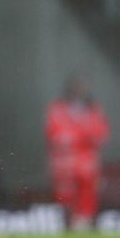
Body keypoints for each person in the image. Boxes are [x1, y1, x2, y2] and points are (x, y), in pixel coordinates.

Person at [45, 76, 110, 230]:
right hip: (64, 162)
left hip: (87, 161)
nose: (79, 92)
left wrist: (77, 137)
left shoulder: (93, 109)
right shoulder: (57, 108)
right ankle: (64, 222)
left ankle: (84, 223)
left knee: (87, 192)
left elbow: (100, 134)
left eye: (82, 88)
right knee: (64, 194)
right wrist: (81, 137)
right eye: (76, 88)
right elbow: (56, 135)